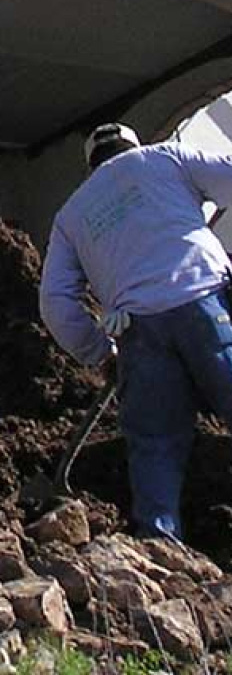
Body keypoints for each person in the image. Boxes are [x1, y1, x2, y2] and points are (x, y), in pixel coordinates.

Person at [40, 122, 232, 540]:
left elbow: (55, 303)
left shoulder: (71, 214)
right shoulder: (167, 157)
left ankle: (161, 550)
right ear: (132, 144)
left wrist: (98, 352)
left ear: (91, 166)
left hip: (138, 333)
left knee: (155, 447)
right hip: (206, 308)